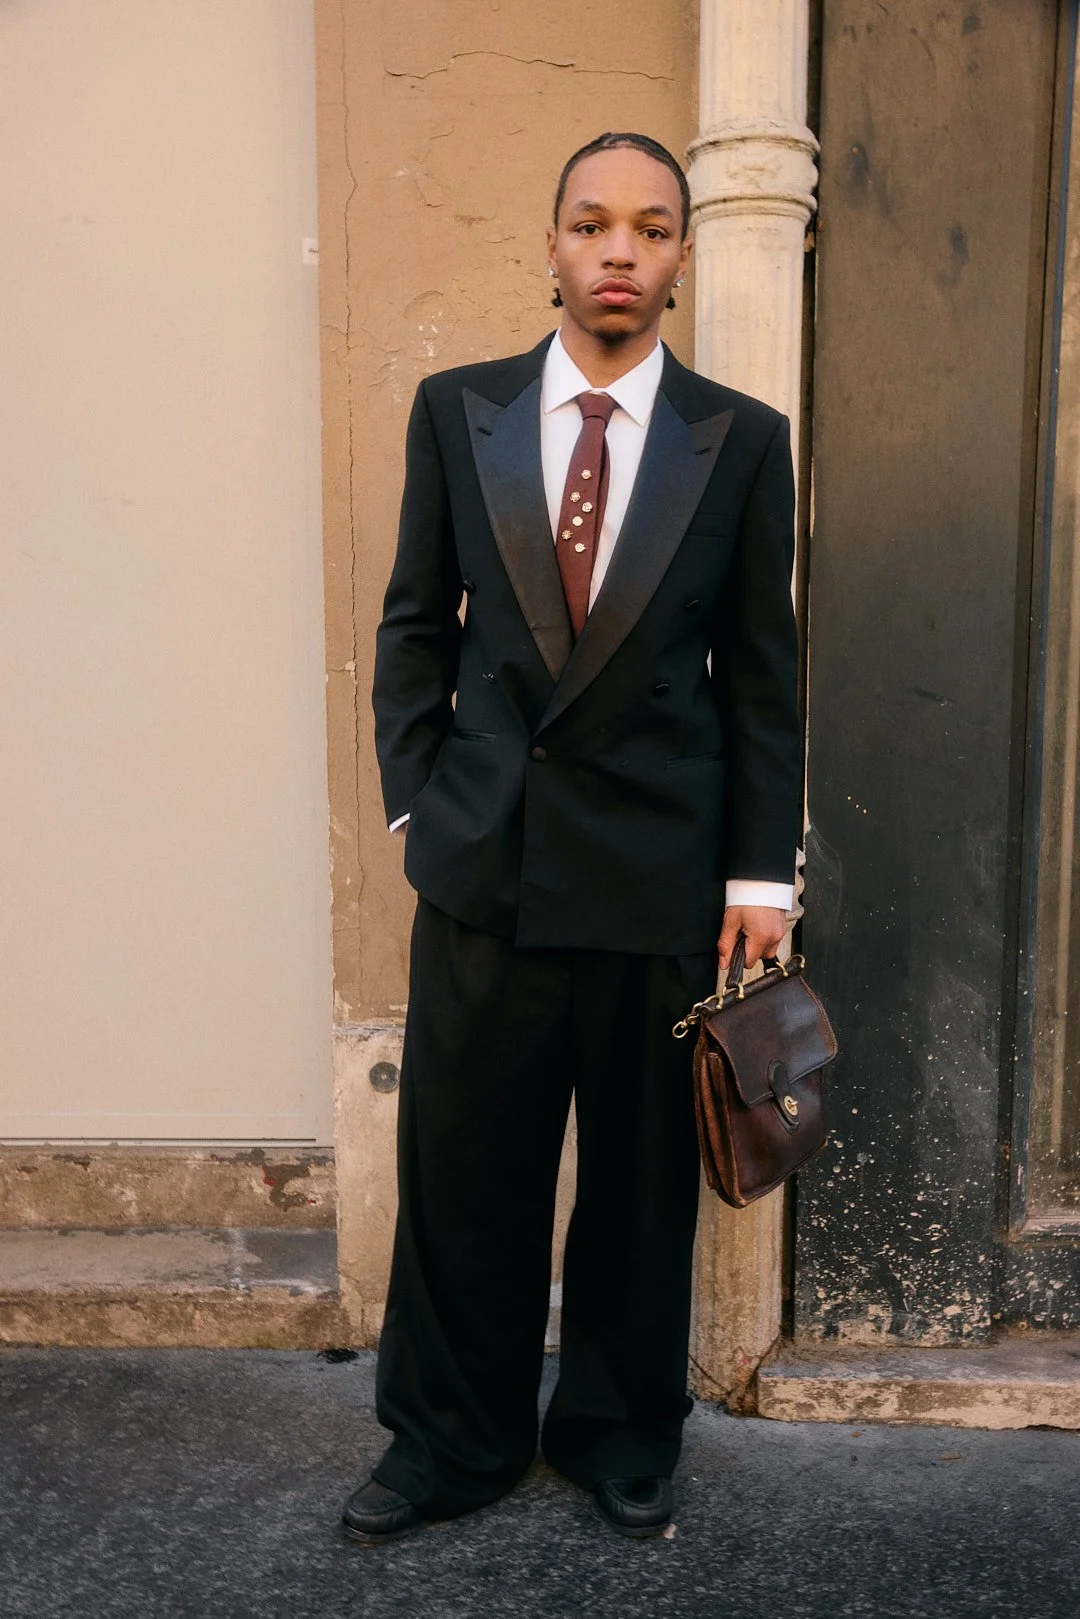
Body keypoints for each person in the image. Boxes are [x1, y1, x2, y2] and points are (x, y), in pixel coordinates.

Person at [342, 131, 800, 1545]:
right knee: (461, 1175)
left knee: (639, 1191)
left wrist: (758, 875)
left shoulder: (739, 439)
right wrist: (423, 812)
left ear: (678, 255)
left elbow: (762, 675)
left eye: (651, 228)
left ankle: (617, 1432)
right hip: (486, 865)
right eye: (593, 224)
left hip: (659, 879)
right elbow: (415, 629)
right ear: (550, 244)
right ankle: (449, 1440)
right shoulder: (456, 410)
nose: (620, 250)